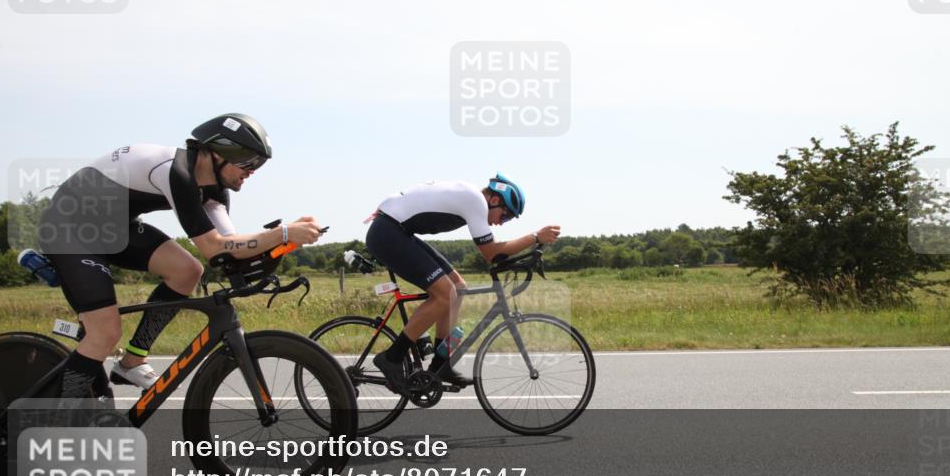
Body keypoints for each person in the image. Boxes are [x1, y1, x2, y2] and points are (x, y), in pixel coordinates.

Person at [38, 113, 324, 397]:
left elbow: (230, 249)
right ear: (217, 153)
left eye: (258, 164)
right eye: (248, 161)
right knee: (105, 333)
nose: (253, 170)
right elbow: (212, 246)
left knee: (187, 270)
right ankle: (61, 418)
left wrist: (283, 245)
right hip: (69, 227)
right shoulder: (176, 172)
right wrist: (282, 233)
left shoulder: (214, 191)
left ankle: (133, 360)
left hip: (114, 228)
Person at [365, 174, 560, 392]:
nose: (499, 223)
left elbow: (495, 254)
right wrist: (535, 236)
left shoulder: (472, 198)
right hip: (387, 233)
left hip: (396, 230)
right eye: (504, 217)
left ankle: (441, 365)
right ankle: (391, 358)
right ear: (495, 200)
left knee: (458, 288)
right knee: (444, 293)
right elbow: (492, 253)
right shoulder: (475, 200)